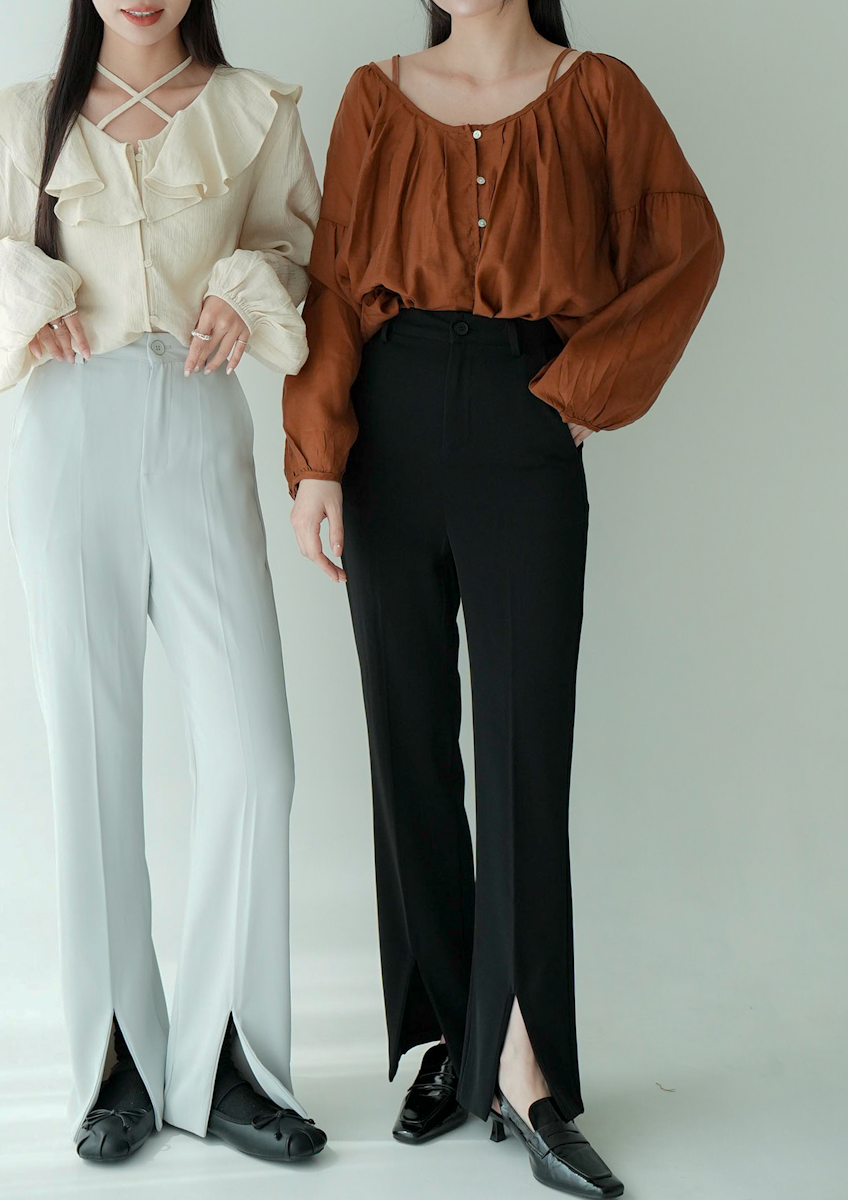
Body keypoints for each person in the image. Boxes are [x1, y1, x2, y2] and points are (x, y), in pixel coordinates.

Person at [283, 1, 724, 1194]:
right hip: (389, 422)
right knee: (408, 742)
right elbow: (333, 282)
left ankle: (522, 1066)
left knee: (526, 742)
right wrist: (317, 455)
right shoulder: (376, 95)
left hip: (526, 416)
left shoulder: (599, 93)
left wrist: (582, 389)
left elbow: (689, 247)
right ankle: (453, 1039)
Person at [0, 0, 327, 1166]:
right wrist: (23, 287)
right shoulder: (24, 122)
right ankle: (116, 1065)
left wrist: (244, 288)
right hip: (70, 438)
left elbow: (302, 252)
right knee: (92, 763)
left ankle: (228, 1065)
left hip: (198, 425)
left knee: (256, 759)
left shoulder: (255, 111)